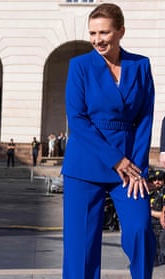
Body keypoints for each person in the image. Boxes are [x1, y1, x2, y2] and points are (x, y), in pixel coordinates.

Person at [61, 3, 156, 279]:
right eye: (92, 33)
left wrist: (137, 166)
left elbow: (145, 119)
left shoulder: (140, 65)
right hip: (85, 162)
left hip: (129, 165)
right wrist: (116, 159)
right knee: (81, 248)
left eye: (104, 32)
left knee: (140, 229)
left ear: (120, 32)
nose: (97, 39)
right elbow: (77, 119)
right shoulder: (79, 66)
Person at [149, 170, 165, 266]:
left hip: (162, 227)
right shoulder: (152, 194)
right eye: (154, 179)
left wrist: (150, 212)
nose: (157, 182)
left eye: (160, 179)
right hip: (152, 225)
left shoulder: (163, 193)